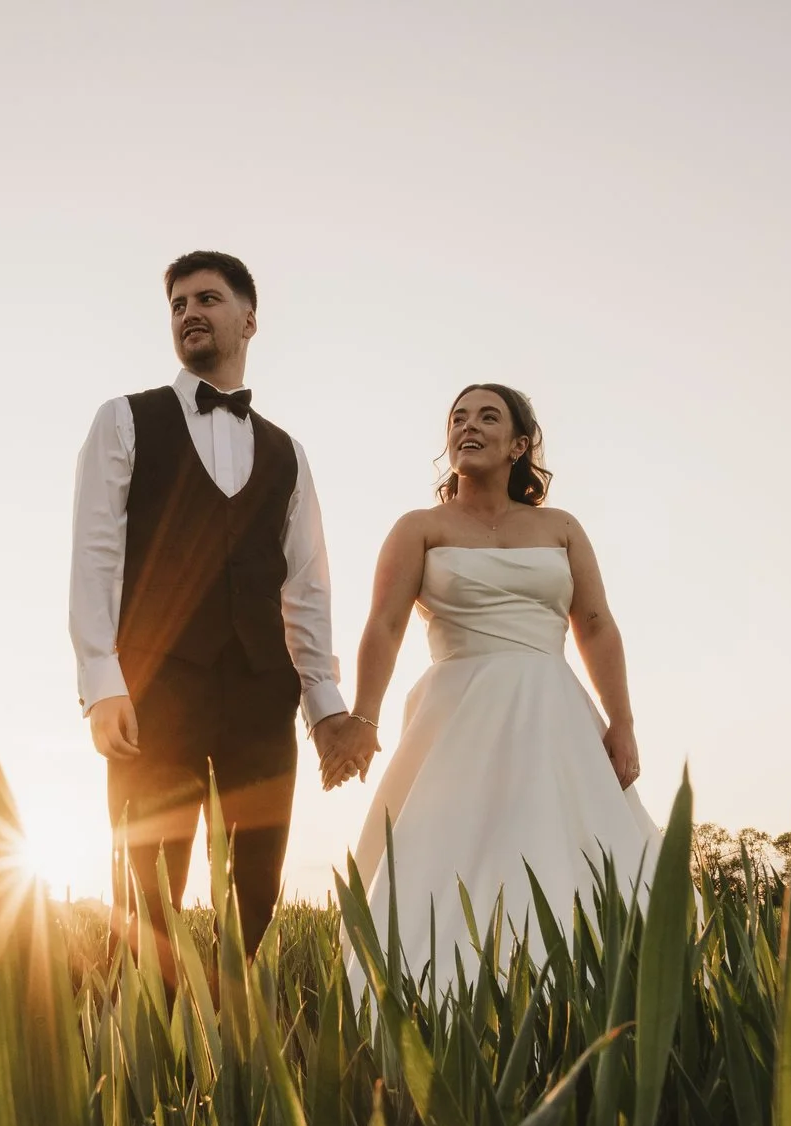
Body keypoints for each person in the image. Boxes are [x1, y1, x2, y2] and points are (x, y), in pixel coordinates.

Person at [69, 251, 377, 971]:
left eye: (207, 299)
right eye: (177, 304)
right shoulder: (124, 420)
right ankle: (141, 1057)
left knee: (255, 895)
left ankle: (236, 1053)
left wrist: (324, 707)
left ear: (249, 319)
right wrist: (101, 681)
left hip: (262, 694)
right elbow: (94, 556)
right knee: (146, 895)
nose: (189, 314)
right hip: (156, 689)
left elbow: (306, 586)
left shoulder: (287, 453)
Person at [339, 383, 661, 979]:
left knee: (560, 847)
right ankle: (438, 991)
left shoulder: (561, 528)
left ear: (518, 444)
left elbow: (595, 626)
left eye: (489, 417)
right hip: (457, 715)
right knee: (450, 851)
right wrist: (364, 717)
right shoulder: (419, 528)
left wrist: (622, 723)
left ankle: (575, 993)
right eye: (459, 417)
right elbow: (383, 626)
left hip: (553, 712)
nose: (470, 426)